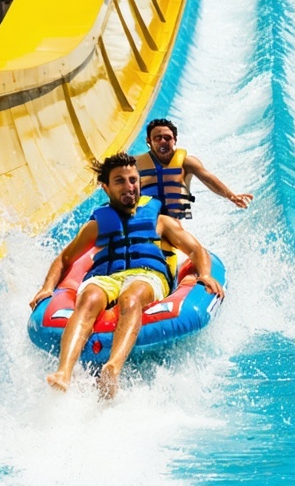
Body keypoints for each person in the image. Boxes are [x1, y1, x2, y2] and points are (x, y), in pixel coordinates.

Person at [29, 152, 225, 398]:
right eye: (120, 181)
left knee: (131, 298)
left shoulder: (159, 221)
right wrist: (47, 287)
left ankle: (112, 368)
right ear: (106, 187)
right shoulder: (97, 225)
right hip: (106, 277)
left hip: (146, 275)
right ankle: (63, 372)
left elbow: (196, 250)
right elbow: (65, 259)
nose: (129, 186)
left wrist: (205, 274)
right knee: (88, 299)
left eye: (133, 180)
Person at [136, 118, 253, 219]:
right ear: (148, 141)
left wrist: (231, 196)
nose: (163, 141)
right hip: (148, 216)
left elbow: (208, 178)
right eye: (157, 138)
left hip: (175, 218)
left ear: (175, 140)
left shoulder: (187, 162)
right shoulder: (136, 164)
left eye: (167, 138)